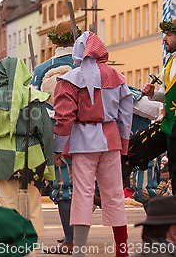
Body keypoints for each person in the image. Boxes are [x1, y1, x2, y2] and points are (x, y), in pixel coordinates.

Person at [53, 31, 133, 257]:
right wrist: (123, 143)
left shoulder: (69, 79)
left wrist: (58, 148)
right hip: (111, 140)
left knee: (83, 195)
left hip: (83, 142)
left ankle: (78, 251)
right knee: (115, 194)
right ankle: (122, 251)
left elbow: (63, 118)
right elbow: (125, 116)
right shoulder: (117, 76)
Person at [0, 56, 55, 237]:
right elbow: (47, 134)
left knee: (8, 204)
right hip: (32, 157)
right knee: (34, 205)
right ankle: (31, 247)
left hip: (3, 159)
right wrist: (49, 167)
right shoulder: (36, 98)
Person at [29, 21, 77, 253]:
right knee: (85, 186)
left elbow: (32, 102)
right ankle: (75, 235)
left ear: (53, 41)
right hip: (87, 132)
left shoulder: (40, 70)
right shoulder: (85, 65)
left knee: (63, 185)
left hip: (56, 133)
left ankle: (70, 238)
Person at [126, 19, 176, 194]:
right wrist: (152, 94)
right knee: (133, 147)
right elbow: (166, 95)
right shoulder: (171, 61)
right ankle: (106, 192)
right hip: (168, 123)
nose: (164, 38)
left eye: (169, 34)